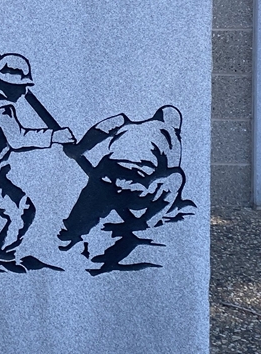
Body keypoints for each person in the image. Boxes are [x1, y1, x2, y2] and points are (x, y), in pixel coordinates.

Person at [0, 53, 75, 273]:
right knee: (22, 209)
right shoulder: (1, 108)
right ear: (8, 84)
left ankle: (1, 253)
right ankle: (2, 256)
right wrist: (54, 136)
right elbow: (18, 139)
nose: (24, 91)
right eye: (21, 85)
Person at [58, 105, 195, 272]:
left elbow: (104, 127)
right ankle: (144, 222)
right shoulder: (171, 135)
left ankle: (72, 230)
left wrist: (77, 149)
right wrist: (159, 206)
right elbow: (171, 169)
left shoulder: (126, 123)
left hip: (105, 177)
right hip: (138, 187)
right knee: (176, 177)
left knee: (96, 189)